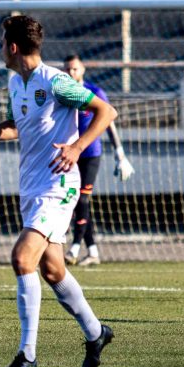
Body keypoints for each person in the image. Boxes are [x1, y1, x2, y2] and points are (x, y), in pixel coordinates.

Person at [0, 15, 116, 367]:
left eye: (1, 43)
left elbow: (106, 112)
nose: (1, 50)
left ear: (12, 47)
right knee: (52, 269)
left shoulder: (57, 81)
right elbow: (13, 127)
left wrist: (76, 147)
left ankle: (27, 356)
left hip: (59, 185)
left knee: (22, 257)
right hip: (31, 186)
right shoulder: (16, 83)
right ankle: (95, 333)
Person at [63, 54, 135, 266]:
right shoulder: (63, 94)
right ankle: (93, 250)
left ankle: (74, 247)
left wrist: (119, 154)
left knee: (82, 199)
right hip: (70, 154)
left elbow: (109, 121)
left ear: (82, 70)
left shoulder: (95, 92)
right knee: (76, 201)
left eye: (74, 69)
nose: (70, 73)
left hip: (90, 154)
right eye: (67, 69)